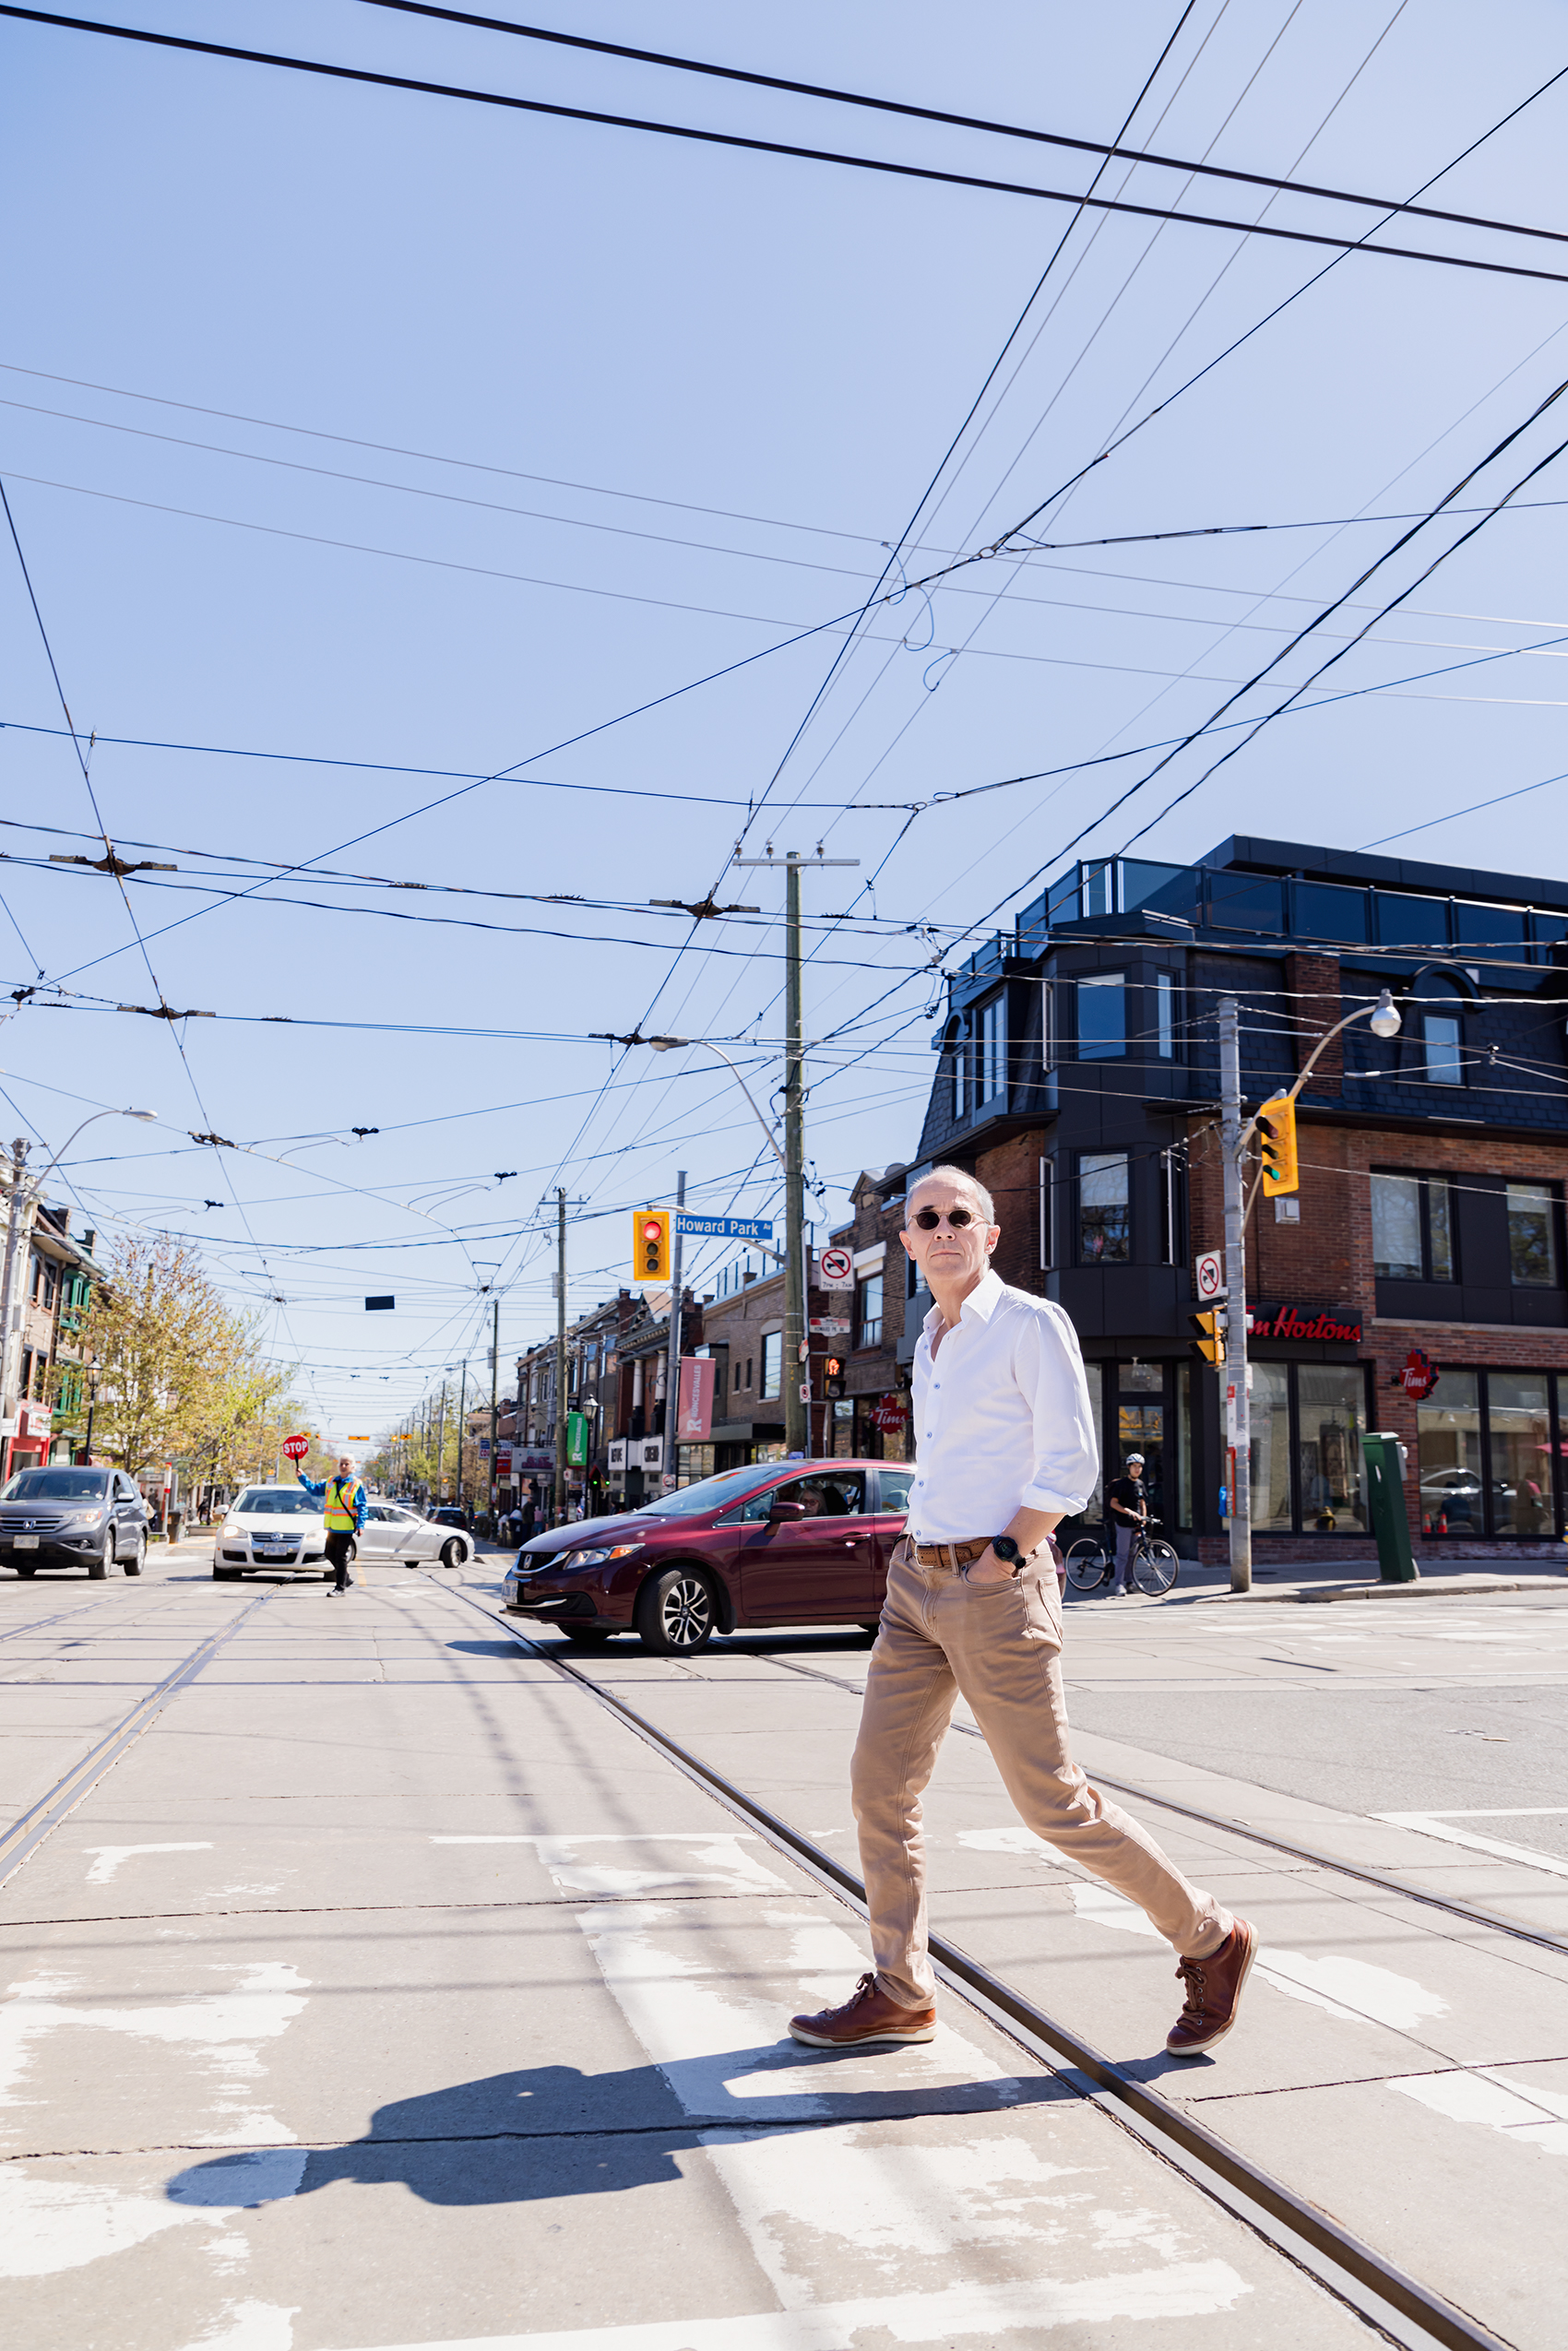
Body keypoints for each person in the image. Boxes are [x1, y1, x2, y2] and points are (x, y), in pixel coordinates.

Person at [789, 1166, 1256, 2062]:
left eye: (960, 1215)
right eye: (926, 1218)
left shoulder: (1028, 1323)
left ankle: (1208, 1935)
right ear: (909, 1240)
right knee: (877, 1786)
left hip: (995, 1584)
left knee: (1052, 1803)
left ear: (989, 1233)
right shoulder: (927, 1337)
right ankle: (899, 1987)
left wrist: (999, 1557)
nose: (943, 1227)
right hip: (914, 1583)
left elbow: (1068, 1464)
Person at [296, 1455, 367, 1596]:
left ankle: (340, 1588)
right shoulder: (331, 1482)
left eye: (346, 1464)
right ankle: (345, 1578)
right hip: (332, 1526)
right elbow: (314, 1490)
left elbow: (362, 1506)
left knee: (341, 1557)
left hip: (346, 1527)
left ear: (352, 1467)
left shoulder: (355, 1484)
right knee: (329, 1553)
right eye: (341, 1463)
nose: (343, 1466)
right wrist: (302, 1476)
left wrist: (361, 1524)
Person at [1106, 1451, 1148, 1596]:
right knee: (1122, 1555)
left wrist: (1143, 1518)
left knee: (1133, 1555)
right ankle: (1119, 1584)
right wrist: (1129, 1512)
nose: (1137, 1469)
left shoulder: (1141, 1484)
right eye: (1134, 1466)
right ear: (1129, 1467)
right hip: (1123, 1524)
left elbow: (1142, 1503)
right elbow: (1113, 1503)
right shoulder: (1122, 1484)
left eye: (1139, 1466)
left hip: (1136, 1525)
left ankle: (1129, 1582)